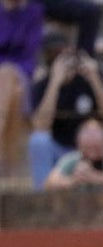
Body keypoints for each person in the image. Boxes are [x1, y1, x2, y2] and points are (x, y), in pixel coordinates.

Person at [27, 32, 103, 190]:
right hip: (59, 148)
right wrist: (55, 83)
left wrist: (94, 78)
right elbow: (40, 125)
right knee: (38, 141)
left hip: (91, 148)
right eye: (52, 54)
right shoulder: (42, 85)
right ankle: (42, 194)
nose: (59, 59)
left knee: (94, 131)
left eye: (62, 53)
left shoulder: (91, 78)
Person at [0, 0, 41, 174]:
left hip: (21, 72)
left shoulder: (33, 11)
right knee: (15, 95)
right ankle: (7, 164)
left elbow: (30, 53)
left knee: (9, 78)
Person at [42, 117, 103, 191]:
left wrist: (97, 178)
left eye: (96, 148)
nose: (92, 155)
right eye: (87, 149)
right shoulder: (71, 160)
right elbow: (49, 184)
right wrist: (73, 181)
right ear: (79, 145)